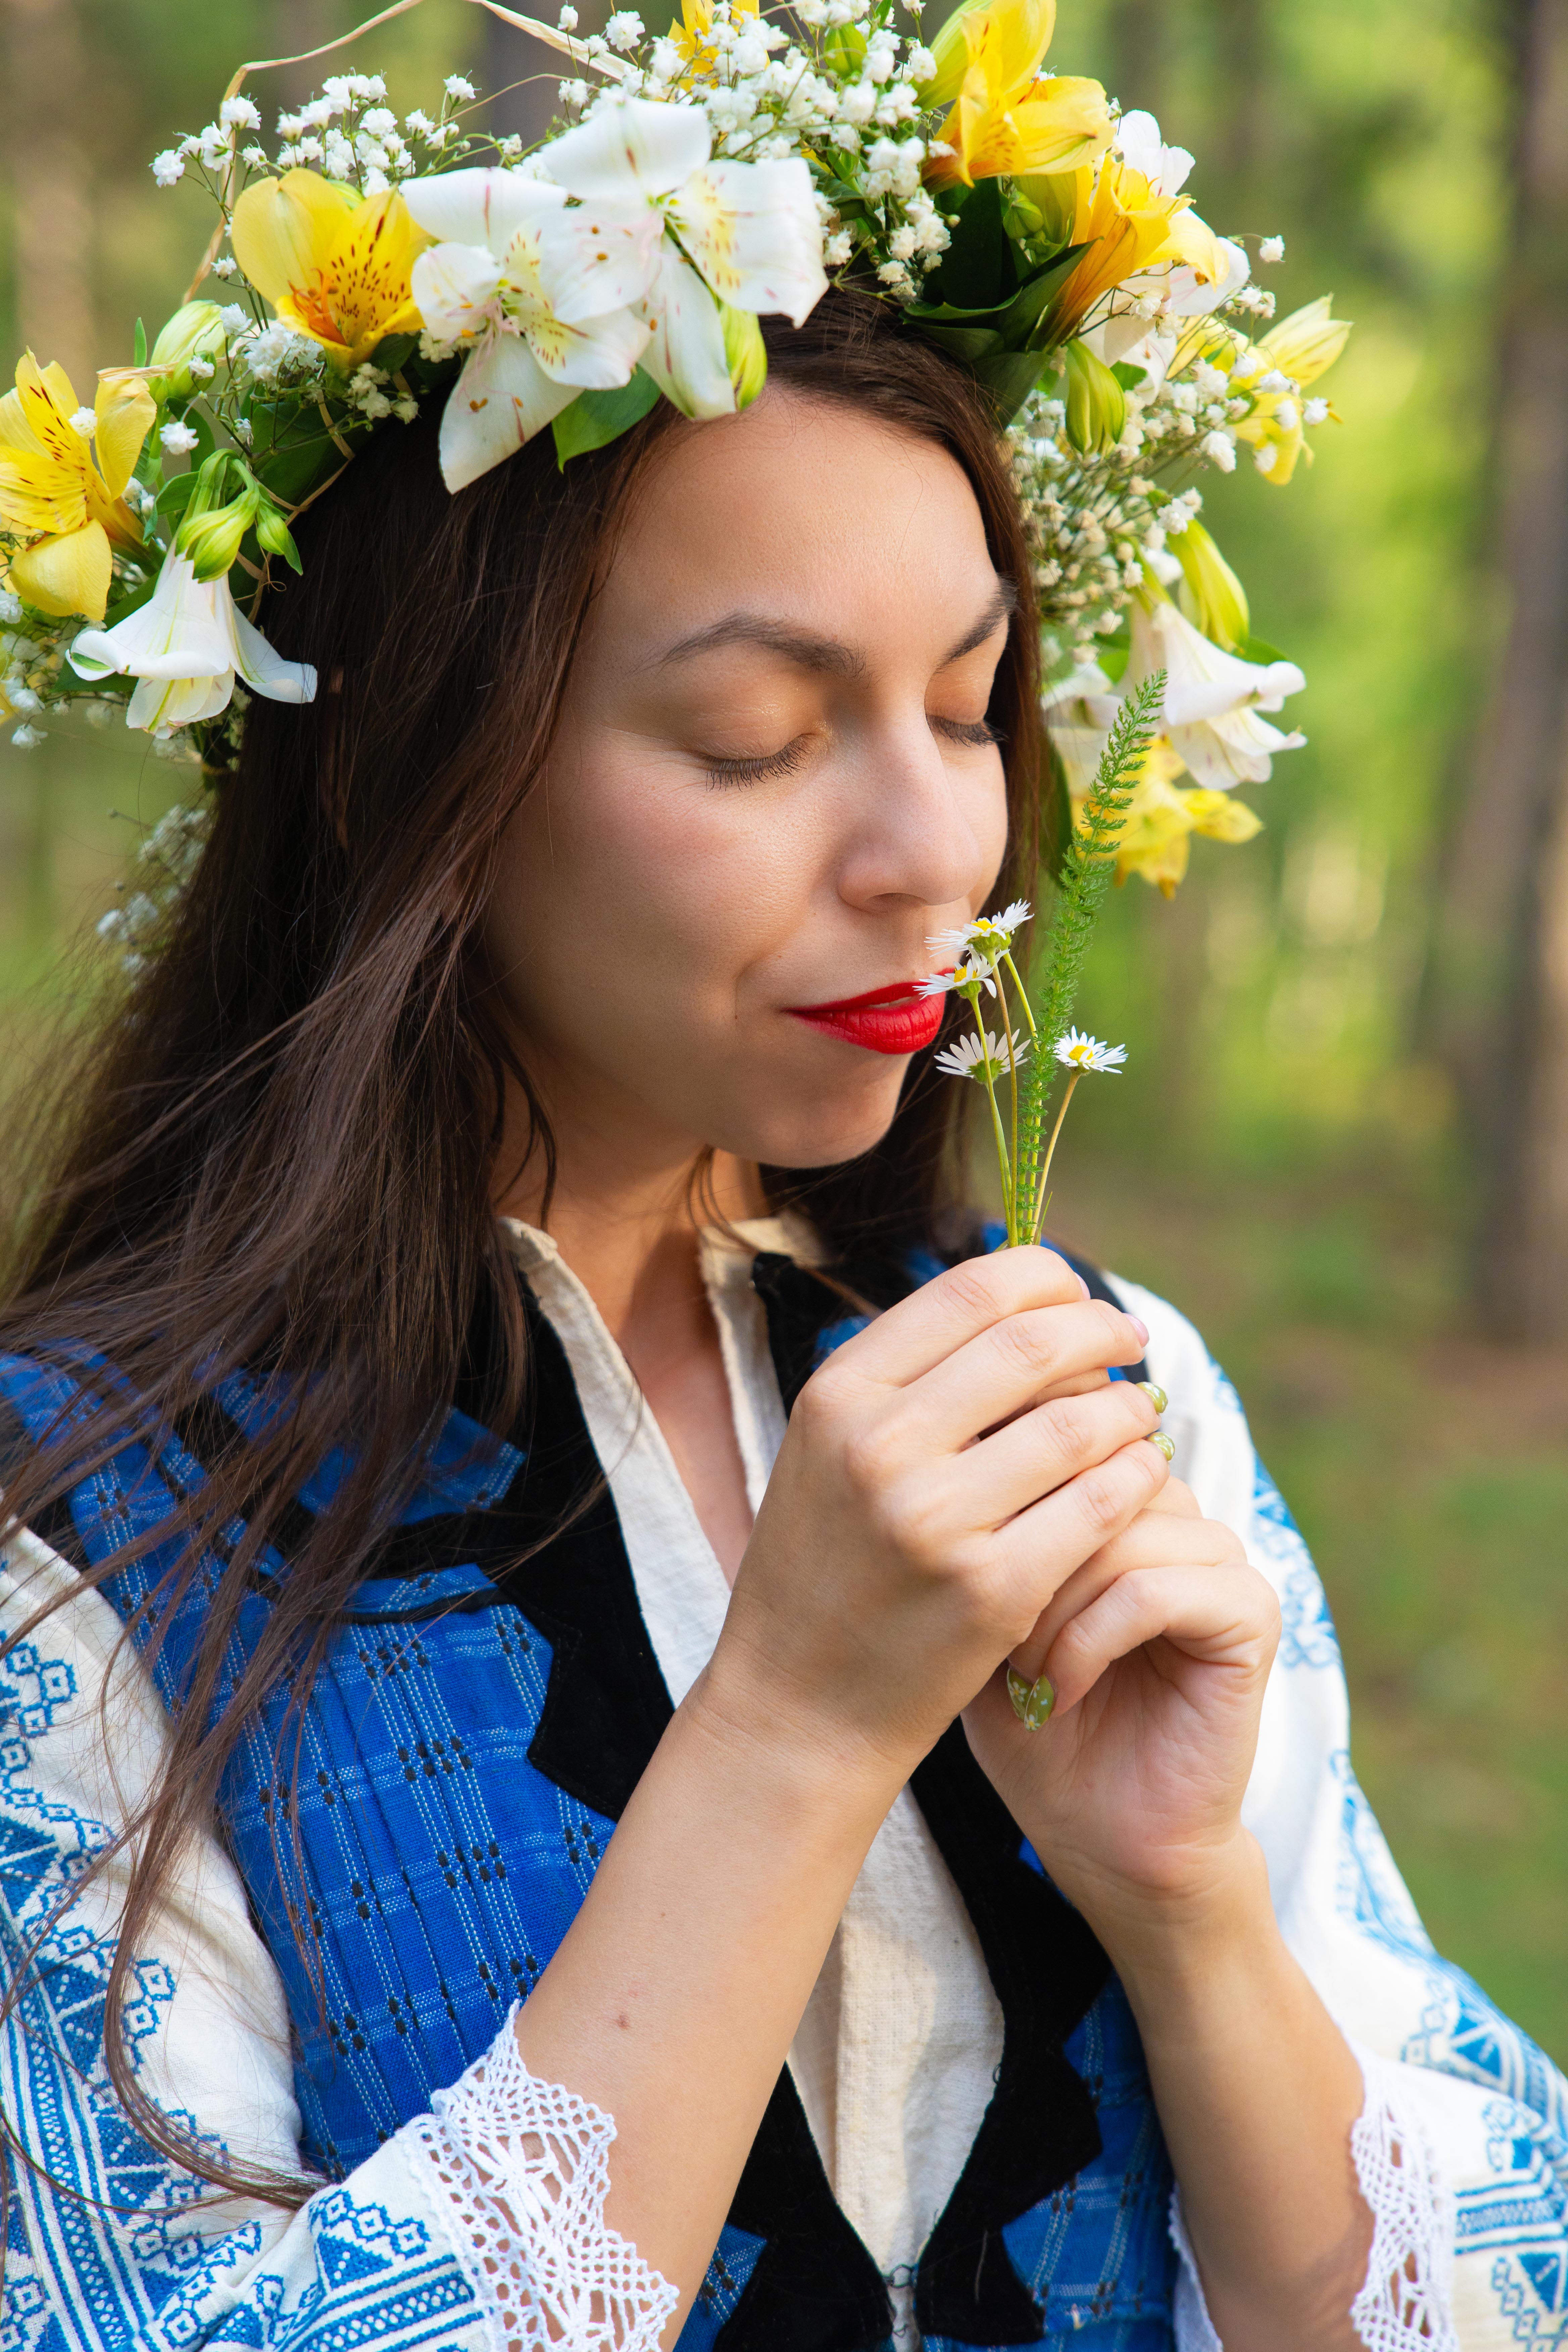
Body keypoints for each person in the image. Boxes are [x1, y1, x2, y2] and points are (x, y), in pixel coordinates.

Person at [0, 291, 1563, 2352]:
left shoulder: (1092, 1389)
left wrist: (1188, 1919)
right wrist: (795, 1733)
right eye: (760, 736)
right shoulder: (90, 1540)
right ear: (399, 761)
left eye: (969, 703)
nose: (936, 857)